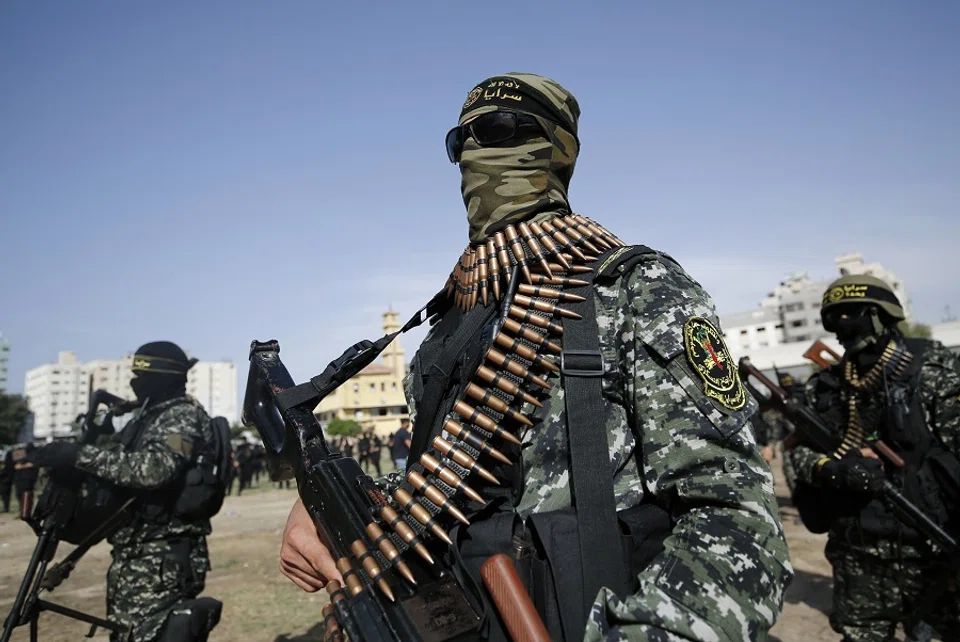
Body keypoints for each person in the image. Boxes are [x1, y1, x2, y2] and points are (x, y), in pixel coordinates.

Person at [277, 73, 791, 640]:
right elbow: (454, 478)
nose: (475, 150)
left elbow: (736, 512)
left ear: (558, 148)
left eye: (500, 129)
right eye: (460, 140)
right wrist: (339, 501)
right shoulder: (450, 324)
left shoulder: (639, 290)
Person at [786, 275, 960, 641]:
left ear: (883, 316)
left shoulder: (931, 372)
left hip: (933, 551)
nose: (842, 326)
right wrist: (830, 469)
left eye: (853, 314)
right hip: (859, 554)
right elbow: (797, 456)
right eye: (834, 317)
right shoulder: (827, 385)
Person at [29, 341, 220, 642]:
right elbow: (122, 466)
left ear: (166, 379)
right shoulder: (148, 416)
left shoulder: (181, 415)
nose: (135, 382)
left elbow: (156, 469)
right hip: (138, 553)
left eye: (144, 376)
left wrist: (79, 455)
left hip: (163, 556)